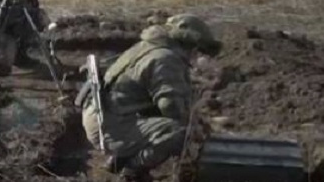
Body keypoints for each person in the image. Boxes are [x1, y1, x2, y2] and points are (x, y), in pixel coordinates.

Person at [78, 14, 222, 181]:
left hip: (103, 116)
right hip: (109, 125)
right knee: (182, 132)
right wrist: (195, 125)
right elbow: (171, 107)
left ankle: (119, 161)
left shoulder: (148, 47)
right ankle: (132, 172)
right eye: (199, 51)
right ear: (192, 46)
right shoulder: (165, 59)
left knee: (171, 124)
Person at [0, 0, 54, 73]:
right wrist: (37, 15)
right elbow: (11, 18)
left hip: (12, 30)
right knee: (3, 67)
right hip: (1, 29)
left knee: (30, 27)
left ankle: (19, 57)